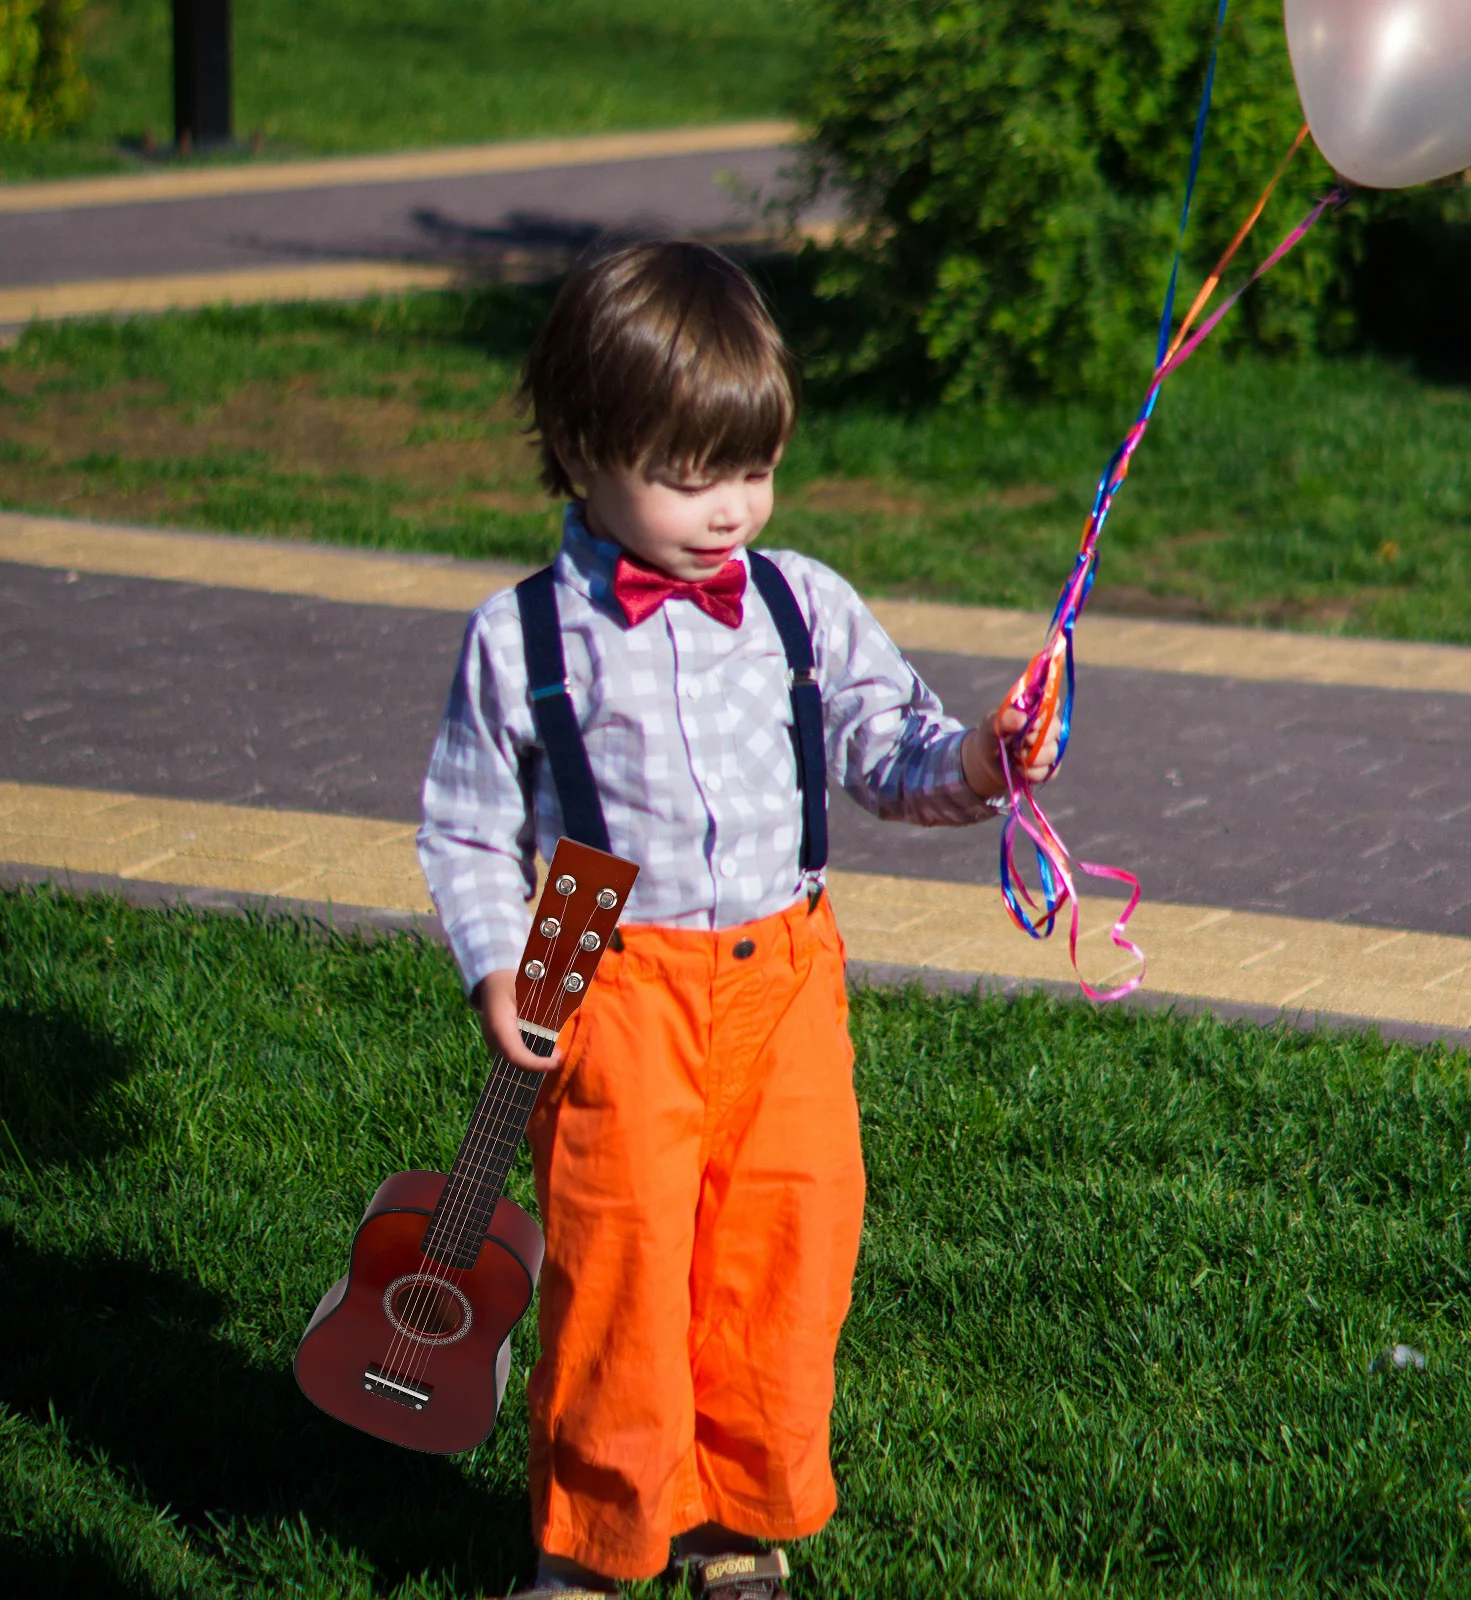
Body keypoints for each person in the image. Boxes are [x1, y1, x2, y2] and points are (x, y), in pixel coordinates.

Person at [417, 240, 1054, 1600]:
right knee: (620, 1258)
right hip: (610, 961)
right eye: (690, 474)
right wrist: (496, 965)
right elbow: (469, 828)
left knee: (786, 1242)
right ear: (585, 450)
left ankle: (734, 1518)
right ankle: (592, 1541)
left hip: (787, 971)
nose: (732, 511)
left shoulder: (799, 602)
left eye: (754, 471)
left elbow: (891, 749)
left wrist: (982, 763)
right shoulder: (524, 636)